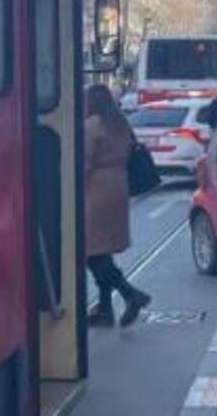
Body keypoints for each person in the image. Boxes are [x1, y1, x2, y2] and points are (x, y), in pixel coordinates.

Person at [84, 84, 151, 327]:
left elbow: (85, 162)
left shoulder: (92, 125)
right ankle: (104, 307)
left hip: (95, 190)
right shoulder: (121, 123)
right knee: (102, 249)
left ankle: (130, 293)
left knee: (90, 251)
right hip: (119, 186)